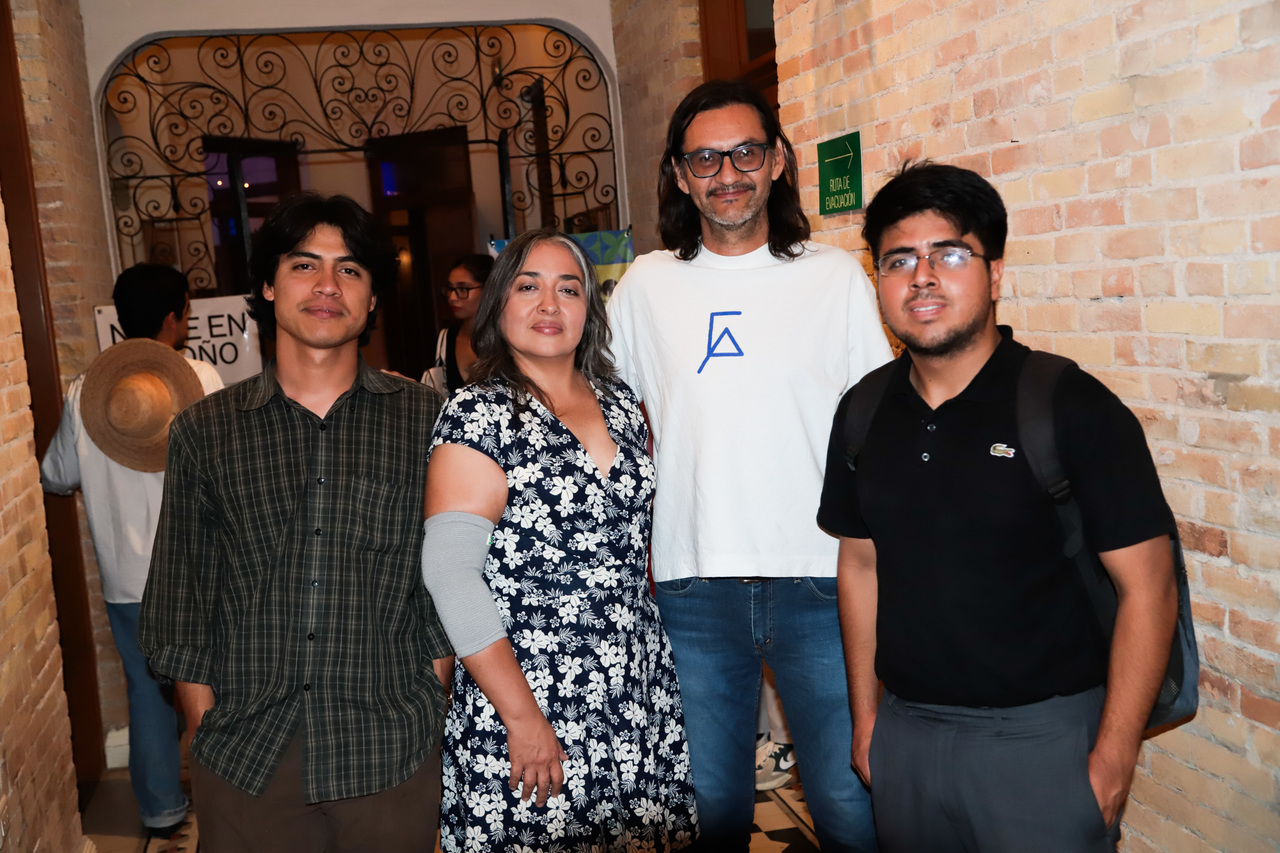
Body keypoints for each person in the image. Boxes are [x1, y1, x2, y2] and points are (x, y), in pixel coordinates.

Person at [818, 162, 1178, 853]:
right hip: (907, 736)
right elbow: (859, 565)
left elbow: (1150, 586)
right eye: (899, 259)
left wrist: (1113, 756)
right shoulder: (863, 411)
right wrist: (867, 719)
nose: (922, 277)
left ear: (996, 274)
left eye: (950, 254)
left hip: (1041, 744)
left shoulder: (1068, 405)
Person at [606, 79, 891, 851]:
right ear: (678, 173)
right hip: (692, 586)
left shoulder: (834, 277)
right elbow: (603, 416)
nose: (726, 173)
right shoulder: (646, 286)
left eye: (745, 153)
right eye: (705, 158)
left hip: (822, 579)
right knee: (711, 807)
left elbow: (878, 425)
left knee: (849, 799)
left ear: (778, 162)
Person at [138, 193, 452, 853]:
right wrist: (203, 718)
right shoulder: (205, 431)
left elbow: (448, 578)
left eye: (350, 269)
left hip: (389, 749)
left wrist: (433, 692)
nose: (327, 285)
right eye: (305, 265)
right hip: (247, 755)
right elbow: (181, 593)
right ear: (268, 285)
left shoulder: (428, 423)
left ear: (372, 298)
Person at [422, 227, 698, 851]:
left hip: (634, 683)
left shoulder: (620, 403)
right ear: (499, 304)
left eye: (568, 289)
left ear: (589, 309)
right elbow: (450, 575)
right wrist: (522, 718)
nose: (550, 304)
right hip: (528, 687)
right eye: (529, 287)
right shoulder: (480, 414)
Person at [41, 263, 222, 840]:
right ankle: (229, 803)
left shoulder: (86, 392)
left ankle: (162, 809)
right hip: (198, 571)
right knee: (217, 685)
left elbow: (55, 475)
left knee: (146, 691)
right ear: (174, 317)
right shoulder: (200, 379)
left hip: (126, 579)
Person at [423, 253, 494, 394]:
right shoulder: (446, 339)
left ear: (488, 289)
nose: (452, 297)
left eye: (463, 289)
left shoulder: (507, 338)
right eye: (450, 289)